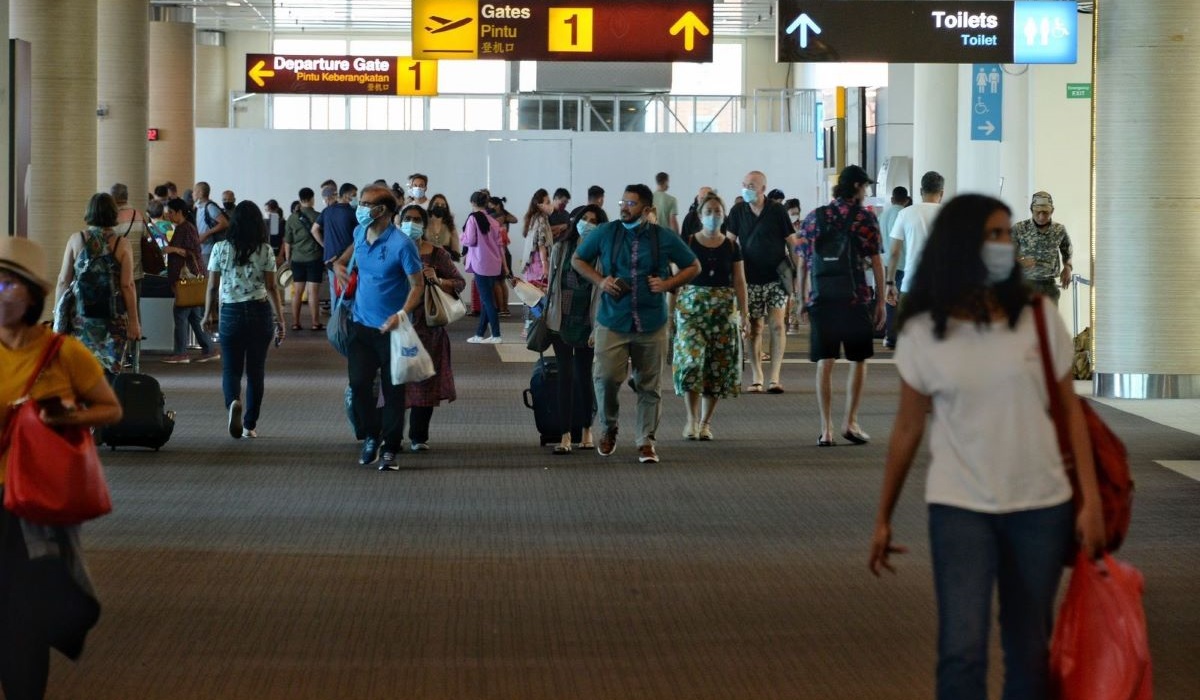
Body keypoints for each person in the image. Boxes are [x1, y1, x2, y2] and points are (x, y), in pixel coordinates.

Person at [868, 194, 1105, 700]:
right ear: (961, 245)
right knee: (962, 649)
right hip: (960, 507)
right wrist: (884, 516)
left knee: (1029, 650)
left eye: (1006, 235)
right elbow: (908, 429)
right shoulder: (924, 331)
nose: (1006, 246)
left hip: (1040, 505)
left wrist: (1090, 500)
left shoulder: (1039, 317)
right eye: (994, 236)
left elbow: (1071, 413)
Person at [0, 236, 120, 700]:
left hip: (33, 499)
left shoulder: (60, 353)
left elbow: (109, 410)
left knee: (23, 615)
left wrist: (62, 415)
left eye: (9, 285)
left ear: (31, 294)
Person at [571, 184, 701, 464]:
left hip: (651, 322)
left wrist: (668, 284)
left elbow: (693, 266)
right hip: (612, 320)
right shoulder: (607, 232)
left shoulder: (663, 237)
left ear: (647, 209)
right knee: (604, 378)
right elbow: (578, 259)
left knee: (649, 385)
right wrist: (601, 281)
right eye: (623, 202)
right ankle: (608, 428)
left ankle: (646, 441)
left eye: (631, 204)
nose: (624, 207)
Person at [331, 185, 425, 470]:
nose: (360, 208)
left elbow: (417, 285)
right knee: (359, 385)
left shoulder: (402, 245)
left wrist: (402, 313)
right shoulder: (359, 233)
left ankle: (391, 449)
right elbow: (346, 257)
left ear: (382, 210)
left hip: (392, 328)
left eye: (365, 203)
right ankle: (372, 436)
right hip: (361, 326)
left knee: (394, 390)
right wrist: (338, 264)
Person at [796, 164, 886, 446]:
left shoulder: (814, 217)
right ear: (858, 187)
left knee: (825, 361)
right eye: (866, 186)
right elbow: (876, 262)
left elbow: (802, 263)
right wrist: (881, 300)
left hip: (822, 298)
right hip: (855, 297)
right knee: (858, 360)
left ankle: (826, 429)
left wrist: (801, 299)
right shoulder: (865, 219)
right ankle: (851, 422)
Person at [202, 201, 285, 439]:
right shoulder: (265, 250)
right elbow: (272, 287)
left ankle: (233, 403)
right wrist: (280, 319)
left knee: (231, 369)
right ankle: (250, 424)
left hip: (230, 312)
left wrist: (208, 313)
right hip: (259, 312)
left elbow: (211, 287)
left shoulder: (220, 249)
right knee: (256, 372)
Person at [671, 193, 749, 441]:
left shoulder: (731, 246)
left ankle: (705, 422)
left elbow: (739, 281)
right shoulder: (689, 242)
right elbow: (676, 276)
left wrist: (743, 313)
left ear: (724, 215)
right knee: (692, 363)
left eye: (718, 211)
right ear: (700, 215)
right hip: (692, 307)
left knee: (717, 366)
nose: (713, 216)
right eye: (709, 211)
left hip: (723, 309)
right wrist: (671, 309)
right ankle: (691, 419)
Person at [723, 170, 798, 394]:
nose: (746, 188)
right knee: (753, 327)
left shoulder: (777, 211)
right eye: (744, 184)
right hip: (749, 279)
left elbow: (792, 243)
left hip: (775, 277)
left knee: (777, 324)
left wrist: (798, 275)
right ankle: (757, 376)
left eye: (752, 185)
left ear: (763, 189)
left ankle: (774, 377)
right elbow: (729, 243)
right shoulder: (737, 211)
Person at [400, 204, 466, 452]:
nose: (411, 223)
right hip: (398, 323)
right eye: (407, 218)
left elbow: (459, 283)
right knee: (394, 380)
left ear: (424, 224)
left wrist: (437, 280)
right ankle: (391, 434)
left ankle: (418, 436)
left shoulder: (436, 253)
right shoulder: (391, 249)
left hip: (428, 327)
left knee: (424, 382)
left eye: (417, 219)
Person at [54, 192, 142, 375]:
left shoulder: (76, 239)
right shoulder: (121, 244)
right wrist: (134, 321)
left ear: (89, 212)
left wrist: (58, 315)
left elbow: (63, 280)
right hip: (113, 318)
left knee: (79, 370)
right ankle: (106, 400)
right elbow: (127, 285)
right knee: (109, 372)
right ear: (113, 213)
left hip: (80, 316)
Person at [542, 204, 603, 455]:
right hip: (562, 320)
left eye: (593, 220)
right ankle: (565, 435)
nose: (588, 224)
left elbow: (601, 293)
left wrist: (598, 327)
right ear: (575, 221)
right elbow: (552, 286)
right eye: (584, 219)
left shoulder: (601, 253)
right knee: (564, 377)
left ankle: (587, 429)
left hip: (588, 322)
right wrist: (546, 316)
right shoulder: (561, 248)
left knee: (584, 377)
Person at [885, 172, 945, 345]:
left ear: (920, 191)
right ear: (942, 192)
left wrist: (890, 283)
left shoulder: (906, 213)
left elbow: (894, 252)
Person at [161, 198, 218, 364]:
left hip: (187, 279)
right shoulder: (183, 227)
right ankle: (208, 348)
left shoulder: (185, 228)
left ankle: (180, 353)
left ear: (179, 212)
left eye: (171, 212)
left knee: (180, 315)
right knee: (194, 316)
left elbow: (192, 251)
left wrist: (171, 249)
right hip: (191, 280)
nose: (169, 216)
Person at [463, 191, 508, 344]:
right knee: (486, 300)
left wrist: (460, 237)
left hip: (480, 263)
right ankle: (479, 334)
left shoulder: (472, 219)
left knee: (488, 301)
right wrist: (505, 267)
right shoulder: (494, 222)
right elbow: (501, 246)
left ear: (472, 203)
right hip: (494, 264)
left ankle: (496, 334)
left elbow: (469, 240)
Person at [1014, 191, 1073, 304]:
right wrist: (1019, 261)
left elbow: (1067, 249)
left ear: (1052, 211)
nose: (1041, 217)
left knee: (1049, 321)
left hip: (1049, 286)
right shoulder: (1020, 229)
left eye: (1045, 213)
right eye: (1038, 212)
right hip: (1025, 285)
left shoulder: (1059, 230)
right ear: (1032, 210)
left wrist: (1068, 267)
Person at [282, 187, 324, 331]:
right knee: (313, 292)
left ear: (300, 199)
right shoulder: (319, 216)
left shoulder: (292, 218)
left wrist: (288, 259)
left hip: (297, 259)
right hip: (314, 257)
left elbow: (287, 241)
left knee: (298, 292)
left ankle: (295, 322)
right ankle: (315, 322)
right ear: (312, 199)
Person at [878, 186, 911, 349]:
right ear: (906, 200)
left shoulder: (882, 215)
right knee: (902, 302)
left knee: (889, 301)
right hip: (902, 263)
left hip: (885, 263)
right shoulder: (905, 214)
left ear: (892, 199)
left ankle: (890, 335)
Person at [315, 182, 359, 298]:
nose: (355, 198)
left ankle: (335, 316)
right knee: (349, 291)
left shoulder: (327, 211)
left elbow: (314, 230)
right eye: (354, 195)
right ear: (346, 195)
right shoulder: (352, 213)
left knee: (335, 292)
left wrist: (325, 245)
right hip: (347, 259)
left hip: (329, 258)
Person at [519, 189, 553, 336]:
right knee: (538, 297)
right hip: (539, 264)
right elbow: (541, 243)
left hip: (531, 264)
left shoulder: (532, 217)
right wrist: (546, 264)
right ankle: (534, 327)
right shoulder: (541, 219)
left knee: (529, 297)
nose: (550, 205)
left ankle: (528, 327)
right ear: (539, 205)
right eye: (547, 202)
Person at [193, 181, 229, 269]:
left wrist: (206, 234)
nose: (192, 193)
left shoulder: (210, 207)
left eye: (195, 191)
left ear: (200, 193)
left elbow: (224, 223)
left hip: (209, 248)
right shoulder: (199, 207)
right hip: (203, 248)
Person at [425, 193, 461, 260]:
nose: (440, 206)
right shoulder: (424, 222)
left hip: (444, 264)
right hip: (425, 264)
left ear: (446, 208)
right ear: (431, 206)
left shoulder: (450, 226)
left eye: (443, 205)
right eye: (436, 204)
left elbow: (456, 252)